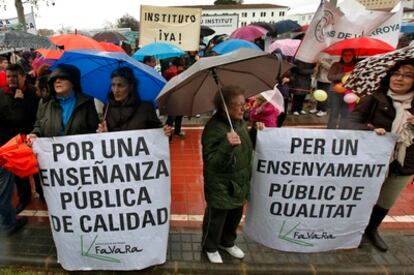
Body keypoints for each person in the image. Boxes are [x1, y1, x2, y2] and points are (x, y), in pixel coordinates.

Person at [346, 59, 414, 252]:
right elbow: (350, 123)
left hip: (404, 164)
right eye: (396, 73)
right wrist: (370, 131)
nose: (399, 78)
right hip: (371, 162)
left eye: (407, 75)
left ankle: (372, 230)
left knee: (386, 200)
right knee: (362, 197)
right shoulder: (374, 98)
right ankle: (352, 230)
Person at [201, 85, 264, 264]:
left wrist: (255, 132)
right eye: (239, 105)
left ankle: (227, 242)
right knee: (217, 218)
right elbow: (212, 162)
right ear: (226, 107)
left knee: (235, 214)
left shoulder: (238, 122)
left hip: (239, 181)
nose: (244, 108)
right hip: (221, 184)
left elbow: (246, 145)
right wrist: (226, 146)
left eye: (244, 104)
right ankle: (210, 246)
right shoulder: (214, 128)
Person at [0, 63, 39, 214]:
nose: (11, 80)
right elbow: (7, 118)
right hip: (11, 142)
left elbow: (36, 115)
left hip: (31, 138)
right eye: (8, 76)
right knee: (19, 173)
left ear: (23, 76)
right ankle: (24, 198)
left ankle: (41, 193)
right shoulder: (2, 95)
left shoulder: (33, 93)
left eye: (15, 76)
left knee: (37, 170)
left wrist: (21, 102)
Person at [29, 64, 99, 139]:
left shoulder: (86, 103)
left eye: (63, 78)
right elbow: (38, 125)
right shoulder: (44, 102)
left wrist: (100, 131)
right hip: (51, 150)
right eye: (54, 78)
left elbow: (93, 131)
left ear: (73, 82)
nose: (57, 81)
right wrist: (35, 134)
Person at [96, 66, 171, 135]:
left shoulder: (145, 108)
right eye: (113, 85)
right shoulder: (107, 108)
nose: (115, 90)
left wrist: (165, 132)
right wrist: (103, 134)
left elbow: (159, 133)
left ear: (131, 86)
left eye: (120, 85)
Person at [327, 49, 357, 129]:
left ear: (353, 56)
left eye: (349, 55)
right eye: (345, 55)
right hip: (336, 92)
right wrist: (345, 74)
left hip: (349, 94)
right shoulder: (336, 65)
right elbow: (330, 77)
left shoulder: (357, 66)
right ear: (342, 56)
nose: (347, 57)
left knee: (346, 114)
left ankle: (342, 132)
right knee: (334, 113)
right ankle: (330, 131)